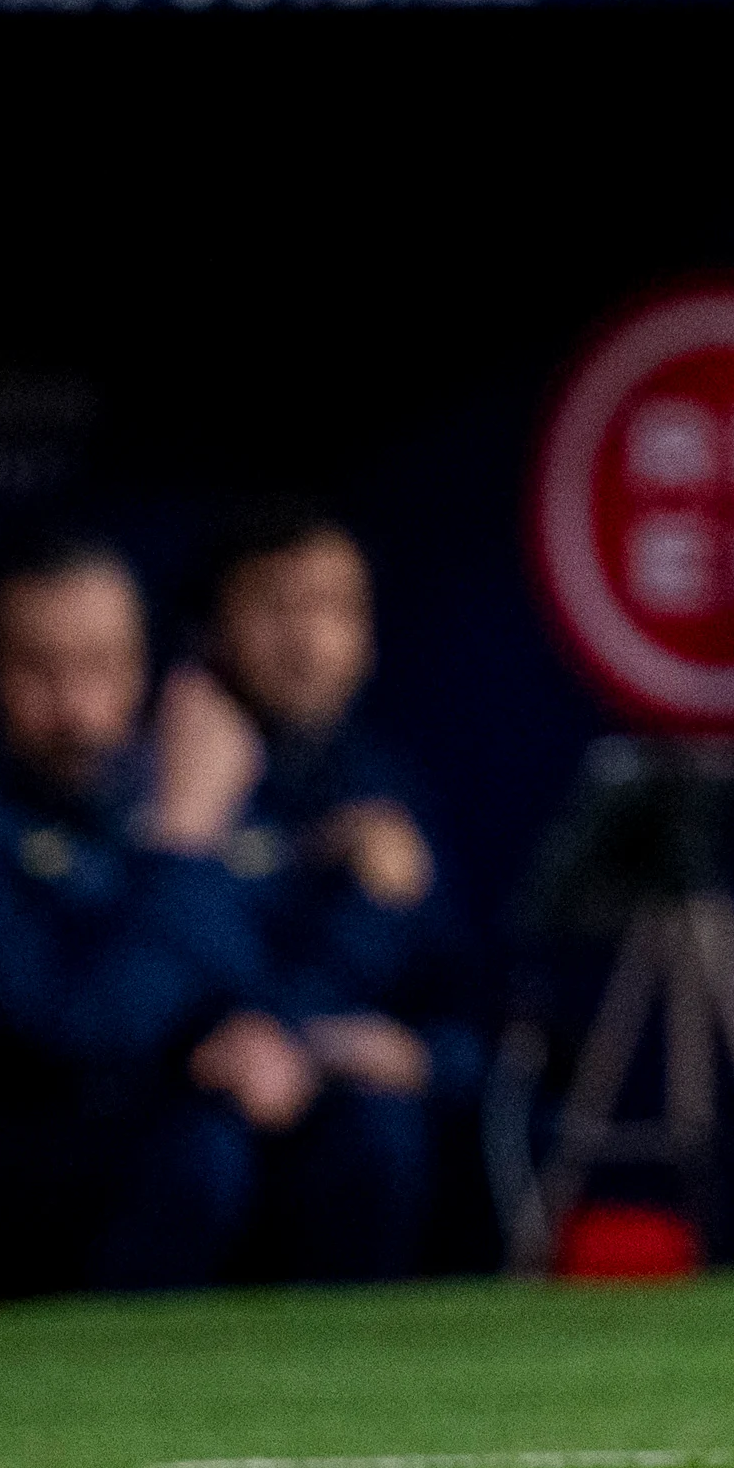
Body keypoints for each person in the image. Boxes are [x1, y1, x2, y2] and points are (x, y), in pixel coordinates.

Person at [0, 536, 287, 1300]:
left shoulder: (201, 799)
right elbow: (76, 1031)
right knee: (191, 1147)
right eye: (39, 669)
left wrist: (282, 1035)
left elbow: (264, 967)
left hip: (197, 1133)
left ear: (146, 669)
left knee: (361, 1129)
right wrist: (181, 841)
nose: (75, 707)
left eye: (101, 665)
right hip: (21, 1165)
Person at [169, 506, 458, 1279]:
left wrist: (409, 1052)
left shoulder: (387, 788)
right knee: (198, 1150)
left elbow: (467, 1018)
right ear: (213, 627)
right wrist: (183, 835)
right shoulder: (156, 773)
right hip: (189, 1107)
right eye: (276, 607)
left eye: (334, 608)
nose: (307, 643)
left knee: (382, 1126)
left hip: (337, 1119)